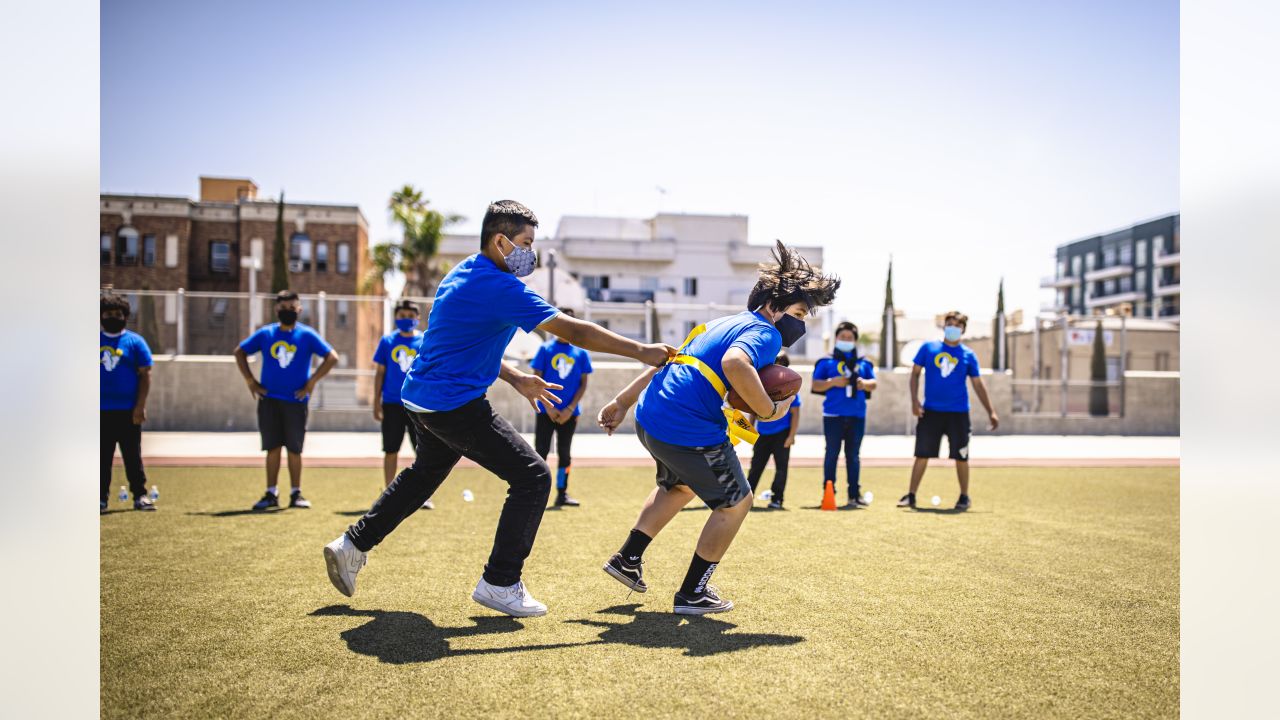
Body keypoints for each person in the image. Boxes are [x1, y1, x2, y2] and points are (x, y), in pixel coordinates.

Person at [322, 200, 674, 619]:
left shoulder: (465, 271)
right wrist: (641, 350)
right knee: (532, 477)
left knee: (424, 475)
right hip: (453, 403)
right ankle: (500, 582)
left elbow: (465, 341)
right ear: (500, 240)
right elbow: (572, 329)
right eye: (525, 243)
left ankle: (352, 544)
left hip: (421, 399)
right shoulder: (501, 287)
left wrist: (517, 378)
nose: (531, 253)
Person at [597, 241, 840, 615]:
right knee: (737, 503)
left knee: (679, 486)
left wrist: (623, 401)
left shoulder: (720, 322)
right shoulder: (766, 332)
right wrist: (769, 409)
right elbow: (736, 363)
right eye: (799, 313)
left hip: (651, 416)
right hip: (686, 426)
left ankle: (627, 559)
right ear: (773, 307)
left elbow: (668, 360)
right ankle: (693, 592)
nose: (801, 324)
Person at [234, 289, 340, 511]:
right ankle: (271, 493)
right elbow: (240, 352)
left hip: (296, 401)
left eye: (292, 308)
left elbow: (332, 357)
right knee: (272, 448)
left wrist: (311, 382)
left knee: (294, 449)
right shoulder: (266, 334)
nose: (288, 312)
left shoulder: (307, 335)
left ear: (299, 309)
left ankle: (296, 493)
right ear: (276, 309)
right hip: (269, 400)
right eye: (283, 308)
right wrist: (250, 381)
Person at [897, 311, 999, 511]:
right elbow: (915, 374)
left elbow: (978, 385)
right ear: (944, 326)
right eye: (950, 324)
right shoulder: (928, 348)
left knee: (961, 455)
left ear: (963, 329)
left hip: (958, 413)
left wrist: (991, 411)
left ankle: (964, 497)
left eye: (957, 325)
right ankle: (911, 495)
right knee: (922, 454)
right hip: (931, 412)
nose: (953, 327)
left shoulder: (968, 355)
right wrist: (914, 401)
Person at [373, 299, 433, 509]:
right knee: (391, 449)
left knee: (422, 450)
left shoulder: (425, 340)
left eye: (410, 316)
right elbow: (380, 373)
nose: (406, 319)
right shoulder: (387, 341)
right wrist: (376, 401)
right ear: (395, 317)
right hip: (391, 404)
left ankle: (422, 494)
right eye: (402, 315)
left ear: (417, 318)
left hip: (417, 404)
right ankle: (389, 492)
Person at [530, 308, 593, 507]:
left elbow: (583, 383)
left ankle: (562, 493)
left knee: (565, 454)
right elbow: (536, 379)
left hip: (569, 414)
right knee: (540, 452)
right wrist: (548, 406)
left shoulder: (580, 353)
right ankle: (535, 493)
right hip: (545, 411)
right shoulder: (545, 349)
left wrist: (570, 408)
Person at [100, 290, 156, 513]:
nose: (113, 317)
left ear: (125, 315)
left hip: (127, 412)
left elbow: (145, 375)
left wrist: (140, 406)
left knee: (132, 455)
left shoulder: (135, 342)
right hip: (99, 412)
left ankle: (140, 495)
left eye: (117, 313)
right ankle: (100, 499)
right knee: (101, 457)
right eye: (108, 313)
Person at [811, 322, 877, 507]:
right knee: (831, 454)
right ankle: (828, 492)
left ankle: (854, 495)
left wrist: (864, 384)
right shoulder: (827, 361)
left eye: (850, 338)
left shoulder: (863, 362)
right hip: (833, 415)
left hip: (857, 415)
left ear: (855, 341)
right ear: (836, 338)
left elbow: (874, 383)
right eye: (843, 337)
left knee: (853, 456)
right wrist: (833, 382)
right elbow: (815, 385)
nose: (846, 340)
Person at [745, 350, 800, 510]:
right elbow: (753, 409)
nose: (778, 367)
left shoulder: (791, 388)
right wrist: (750, 431)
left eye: (782, 364)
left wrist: (792, 435)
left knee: (781, 468)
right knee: (756, 466)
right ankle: (747, 498)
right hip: (763, 433)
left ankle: (777, 499)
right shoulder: (761, 385)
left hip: (782, 433)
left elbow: (795, 413)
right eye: (775, 363)